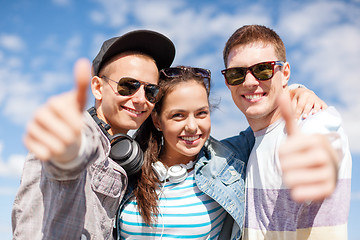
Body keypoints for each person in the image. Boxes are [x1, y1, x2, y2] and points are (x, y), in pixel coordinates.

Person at [116, 66, 328, 239]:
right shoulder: (127, 166)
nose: (192, 126)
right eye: (178, 116)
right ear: (157, 121)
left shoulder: (228, 159)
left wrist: (297, 91)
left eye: (201, 113)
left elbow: (271, 116)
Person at [11, 30, 175, 239]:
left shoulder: (120, 151)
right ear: (98, 88)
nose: (141, 99)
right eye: (128, 86)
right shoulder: (81, 133)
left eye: (151, 90)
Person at [221, 24, 352, 239]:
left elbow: (321, 147)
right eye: (236, 73)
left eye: (263, 69)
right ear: (227, 81)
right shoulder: (245, 148)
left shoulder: (316, 119)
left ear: (286, 73)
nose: (250, 82)